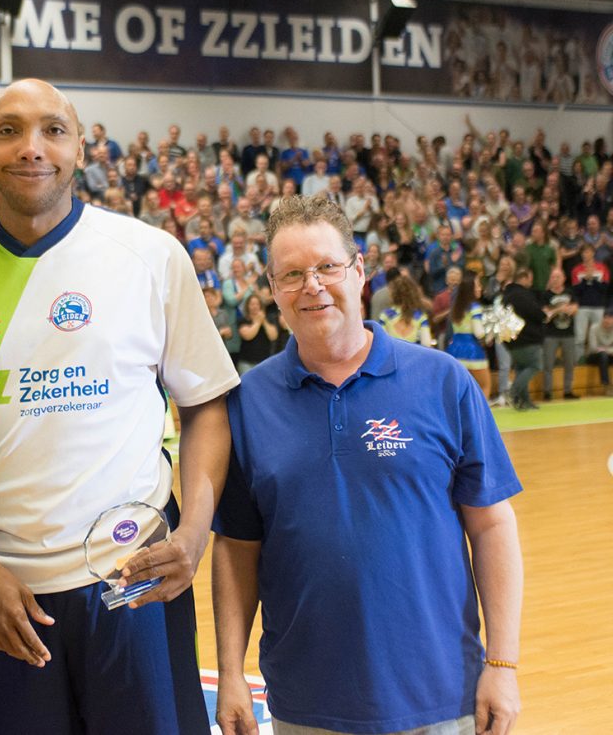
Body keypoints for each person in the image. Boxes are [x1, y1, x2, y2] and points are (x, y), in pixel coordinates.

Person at [0, 79, 238, 733]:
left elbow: (205, 407)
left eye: (53, 129)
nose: (32, 147)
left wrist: (194, 534)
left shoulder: (151, 254)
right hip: (9, 591)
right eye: (9, 130)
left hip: (135, 576)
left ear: (81, 147)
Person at [212, 195, 523, 735]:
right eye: (292, 274)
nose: (311, 285)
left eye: (327, 267)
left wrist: (502, 664)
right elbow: (237, 549)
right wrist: (231, 674)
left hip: (440, 694)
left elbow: (492, 525)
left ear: (358, 272)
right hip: (305, 702)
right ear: (272, 288)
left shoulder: (443, 381)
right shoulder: (246, 402)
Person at [503, 266, 547, 411]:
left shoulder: (506, 295)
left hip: (512, 341)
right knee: (535, 365)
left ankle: (523, 401)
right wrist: (544, 315)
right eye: (529, 278)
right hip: (528, 338)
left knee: (522, 368)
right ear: (523, 278)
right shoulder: (521, 295)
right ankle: (512, 392)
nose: (531, 282)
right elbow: (535, 313)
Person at [446, 272, 491, 394]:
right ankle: (481, 413)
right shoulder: (475, 307)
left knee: (460, 391)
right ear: (470, 288)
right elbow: (479, 333)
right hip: (472, 350)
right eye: (477, 285)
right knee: (484, 387)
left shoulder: (456, 306)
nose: (480, 288)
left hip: (454, 350)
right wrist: (491, 333)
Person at [540, 267, 579, 401]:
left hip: (568, 333)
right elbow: (546, 314)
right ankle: (547, 392)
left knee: (569, 364)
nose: (555, 280)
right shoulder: (545, 295)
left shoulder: (570, 292)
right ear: (550, 279)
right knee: (548, 364)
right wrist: (560, 309)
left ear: (563, 278)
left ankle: (568, 391)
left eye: (558, 277)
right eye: (553, 277)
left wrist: (557, 310)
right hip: (551, 334)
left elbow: (574, 309)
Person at [585, 308, 613, 396]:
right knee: (603, 355)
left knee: (604, 354)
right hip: (593, 356)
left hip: (608, 354)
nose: (607, 320)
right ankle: (606, 385)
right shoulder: (594, 328)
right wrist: (606, 350)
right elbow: (593, 347)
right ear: (603, 318)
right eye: (606, 318)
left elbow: (602, 349)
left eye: (610, 318)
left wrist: (605, 349)